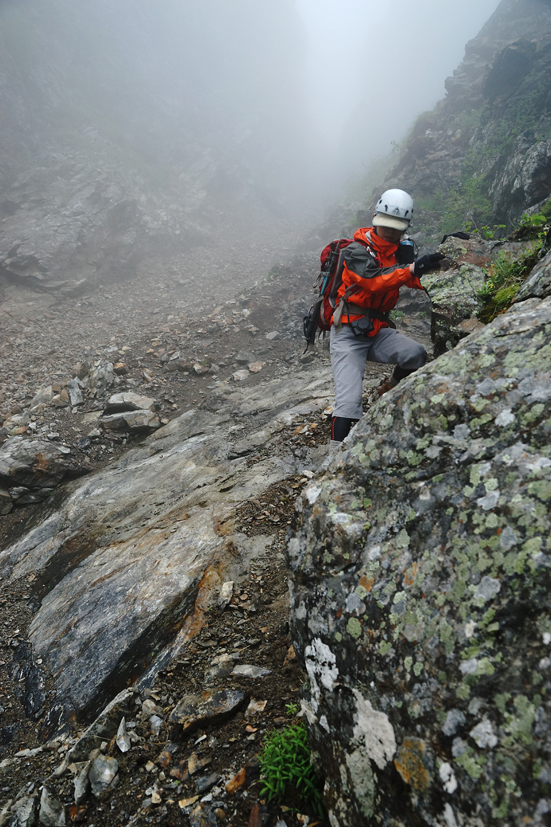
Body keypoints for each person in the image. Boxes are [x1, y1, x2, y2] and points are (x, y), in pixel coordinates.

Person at [329, 188, 443, 449]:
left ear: (405, 228)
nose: (390, 232)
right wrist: (413, 267)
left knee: (415, 354)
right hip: (347, 330)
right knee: (348, 402)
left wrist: (446, 258)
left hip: (375, 329)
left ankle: (389, 387)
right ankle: (331, 460)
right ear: (375, 218)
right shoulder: (355, 250)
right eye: (385, 225)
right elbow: (373, 281)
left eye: (397, 228)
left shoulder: (400, 250)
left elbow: (413, 279)